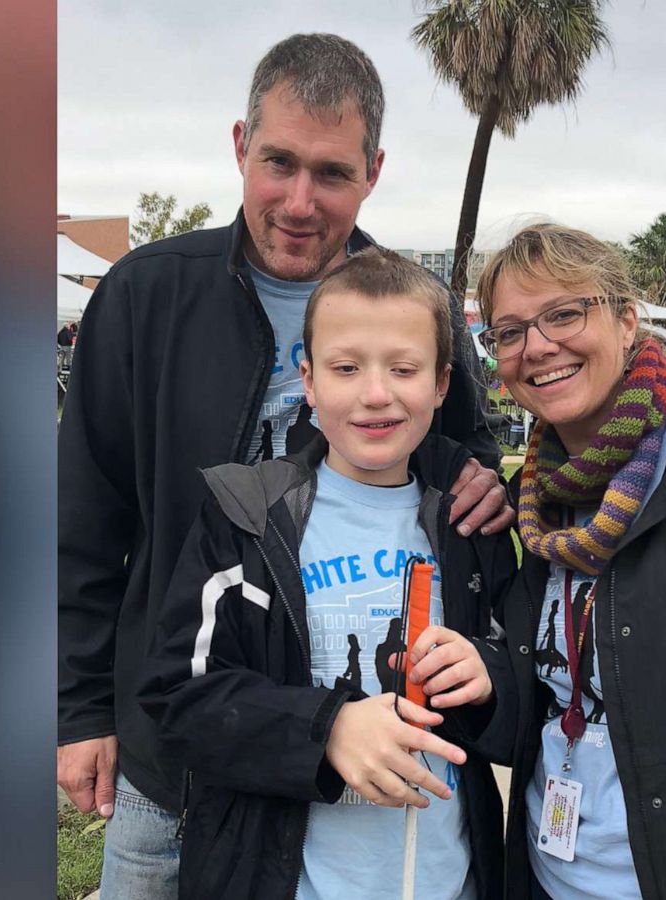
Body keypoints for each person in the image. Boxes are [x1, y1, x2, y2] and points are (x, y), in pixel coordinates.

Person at [57, 33, 512, 900]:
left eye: (333, 173)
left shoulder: (416, 309)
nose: (300, 201)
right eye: (279, 163)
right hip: (174, 747)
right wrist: (78, 710)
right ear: (240, 146)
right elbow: (83, 517)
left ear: (374, 170)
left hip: (363, 764)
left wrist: (481, 479)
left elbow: (461, 451)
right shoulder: (146, 295)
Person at [139, 249, 517, 899]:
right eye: (346, 368)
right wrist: (327, 728)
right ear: (309, 382)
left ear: (441, 383)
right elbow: (177, 700)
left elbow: (532, 676)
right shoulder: (247, 517)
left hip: (446, 879)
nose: (376, 393)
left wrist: (492, 676)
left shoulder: (470, 524)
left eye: (403, 368)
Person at [471, 224, 666, 899]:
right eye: (508, 331)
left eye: (564, 313)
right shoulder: (524, 501)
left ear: (626, 321)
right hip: (550, 876)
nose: (537, 347)